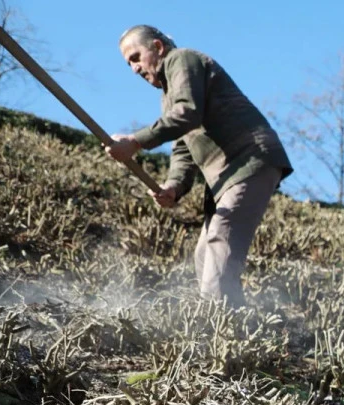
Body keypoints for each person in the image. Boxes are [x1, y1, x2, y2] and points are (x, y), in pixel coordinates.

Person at [104, 25, 292, 307]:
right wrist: (173, 187)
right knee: (205, 254)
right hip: (225, 176)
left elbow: (187, 114)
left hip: (247, 160)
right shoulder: (169, 95)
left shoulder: (183, 59)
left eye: (135, 57)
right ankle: (231, 323)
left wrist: (135, 141)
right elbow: (183, 146)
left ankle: (221, 328)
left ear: (157, 47)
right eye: (128, 63)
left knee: (221, 239)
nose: (134, 69)